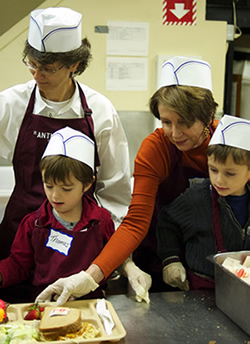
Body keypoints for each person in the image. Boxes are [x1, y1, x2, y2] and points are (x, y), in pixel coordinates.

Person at [36, 56, 220, 304]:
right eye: (166, 122)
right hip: (162, 256)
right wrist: (90, 277)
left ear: (208, 114)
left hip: (220, 261)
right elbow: (135, 223)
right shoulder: (156, 149)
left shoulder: (231, 145)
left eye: (184, 123)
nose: (174, 134)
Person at [0, 7, 131, 262]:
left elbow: (115, 190)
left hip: (80, 241)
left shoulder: (100, 111)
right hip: (19, 238)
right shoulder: (10, 105)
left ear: (74, 64)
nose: (37, 75)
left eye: (48, 68)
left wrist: (109, 251)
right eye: (32, 64)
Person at [0, 127, 151, 303]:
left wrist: (129, 267)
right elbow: (19, 265)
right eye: (48, 186)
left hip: (91, 305)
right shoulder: (34, 223)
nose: (55, 196)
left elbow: (114, 257)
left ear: (87, 184)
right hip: (46, 304)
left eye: (66, 188)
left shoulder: (101, 221)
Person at [156, 114, 250, 290]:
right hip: (202, 290)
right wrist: (171, 260)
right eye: (213, 170)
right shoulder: (196, 198)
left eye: (230, 174)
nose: (219, 180)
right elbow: (167, 222)